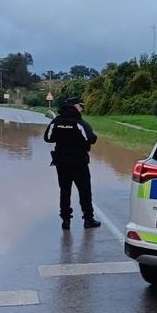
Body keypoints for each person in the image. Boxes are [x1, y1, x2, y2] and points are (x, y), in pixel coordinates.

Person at [44, 97, 101, 230]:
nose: (82, 108)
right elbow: (91, 139)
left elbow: (48, 138)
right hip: (79, 163)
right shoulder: (80, 123)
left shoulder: (56, 122)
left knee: (65, 191)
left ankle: (65, 221)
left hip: (61, 163)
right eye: (81, 106)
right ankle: (88, 219)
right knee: (85, 191)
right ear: (75, 106)